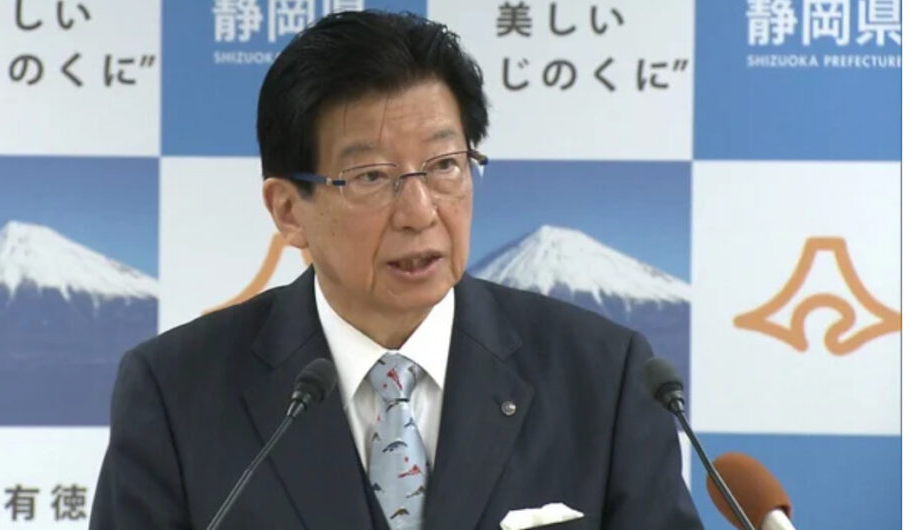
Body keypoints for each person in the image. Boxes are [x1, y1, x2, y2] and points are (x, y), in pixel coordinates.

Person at [90, 10, 702, 530]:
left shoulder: (606, 377)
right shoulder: (176, 392)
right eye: (371, 177)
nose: (420, 212)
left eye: (445, 165)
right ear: (288, 211)